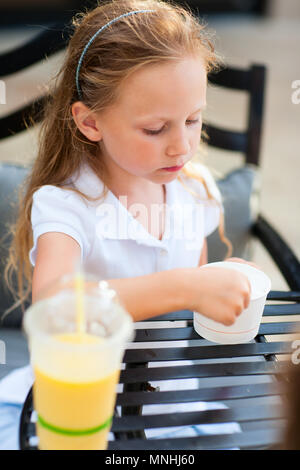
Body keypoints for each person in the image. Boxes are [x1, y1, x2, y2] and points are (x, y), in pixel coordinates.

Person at [1, 0, 257, 448]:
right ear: (91, 121)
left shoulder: (193, 189)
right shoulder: (67, 206)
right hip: (79, 409)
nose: (181, 147)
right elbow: (53, 304)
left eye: (193, 120)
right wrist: (186, 286)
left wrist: (217, 293)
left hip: (170, 405)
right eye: (155, 129)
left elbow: (193, 299)